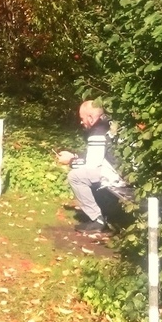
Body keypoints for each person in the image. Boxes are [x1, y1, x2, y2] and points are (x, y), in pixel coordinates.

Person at [56, 99, 135, 235]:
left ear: (91, 118)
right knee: (87, 175)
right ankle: (106, 213)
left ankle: (97, 220)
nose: (81, 122)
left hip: (119, 177)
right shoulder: (110, 124)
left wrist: (71, 161)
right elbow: (96, 155)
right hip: (129, 173)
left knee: (76, 176)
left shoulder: (97, 132)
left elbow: (92, 165)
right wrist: (74, 155)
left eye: (82, 118)